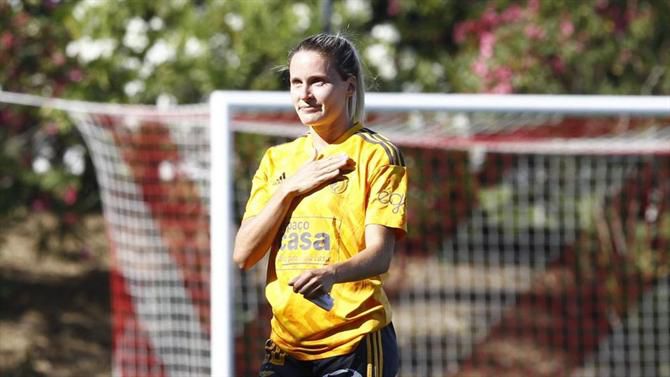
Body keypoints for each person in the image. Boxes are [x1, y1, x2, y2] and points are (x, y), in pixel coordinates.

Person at [233, 32, 408, 377]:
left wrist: (330, 274)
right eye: (296, 83)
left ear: (349, 86)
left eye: (318, 82)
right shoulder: (277, 159)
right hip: (286, 346)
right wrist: (288, 191)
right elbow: (243, 255)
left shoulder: (376, 155)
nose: (305, 94)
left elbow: (380, 254)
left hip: (354, 342)